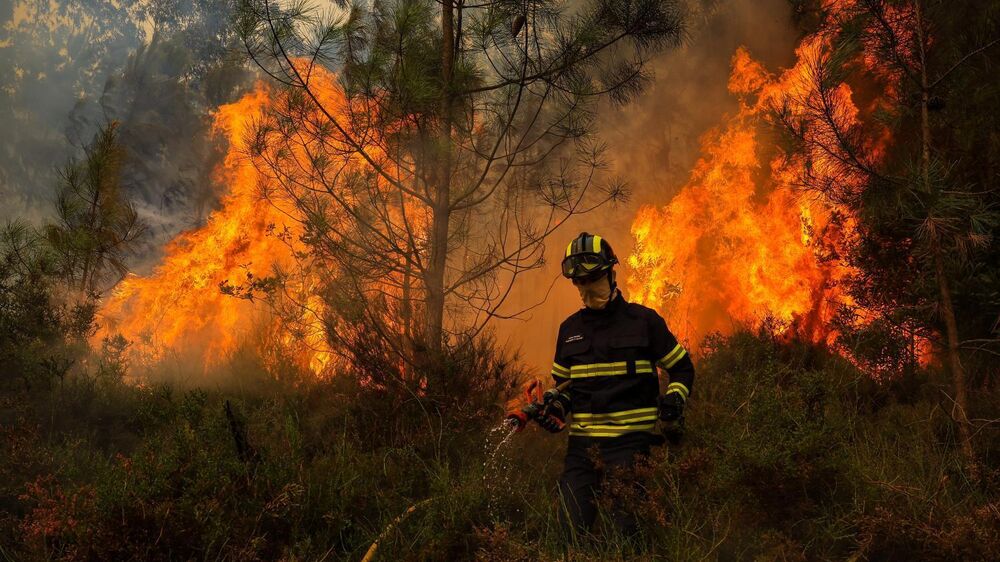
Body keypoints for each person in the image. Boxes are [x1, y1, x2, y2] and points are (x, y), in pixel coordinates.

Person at [536, 232, 695, 540]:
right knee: (568, 534)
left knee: (627, 535)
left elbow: (682, 368)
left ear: (611, 273)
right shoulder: (569, 330)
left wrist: (675, 397)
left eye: (593, 278)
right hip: (582, 450)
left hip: (630, 447)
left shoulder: (644, 322)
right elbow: (566, 389)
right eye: (579, 282)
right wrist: (556, 409)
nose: (586, 288)